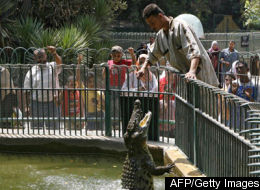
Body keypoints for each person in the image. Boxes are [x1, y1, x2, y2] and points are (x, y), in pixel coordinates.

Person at [137, 3, 219, 87]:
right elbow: (152, 56)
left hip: (202, 78)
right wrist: (143, 68)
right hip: (186, 81)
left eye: (153, 23)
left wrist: (192, 71)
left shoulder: (180, 26)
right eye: (150, 24)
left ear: (160, 16)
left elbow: (194, 51)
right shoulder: (160, 36)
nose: (152, 27)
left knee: (206, 99)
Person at [23, 46, 62, 129]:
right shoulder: (31, 71)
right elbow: (26, 91)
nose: (41, 60)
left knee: (53, 129)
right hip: (36, 104)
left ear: (46, 56)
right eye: (38, 57)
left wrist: (54, 53)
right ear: (35, 58)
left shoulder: (52, 66)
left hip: (52, 102)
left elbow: (60, 64)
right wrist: (26, 106)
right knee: (36, 129)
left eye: (42, 56)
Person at [78, 55, 105, 130]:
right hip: (90, 114)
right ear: (86, 83)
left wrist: (99, 99)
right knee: (90, 132)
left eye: (93, 81)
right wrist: (79, 63)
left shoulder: (100, 92)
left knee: (101, 132)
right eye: (90, 81)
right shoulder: (84, 90)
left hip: (100, 114)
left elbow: (104, 106)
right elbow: (78, 78)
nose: (92, 83)